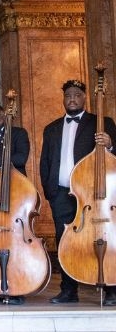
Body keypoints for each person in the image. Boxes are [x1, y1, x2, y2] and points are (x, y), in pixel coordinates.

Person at [39, 79, 116, 305]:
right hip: (61, 193)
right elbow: (45, 162)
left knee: (103, 237)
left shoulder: (101, 122)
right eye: (68, 95)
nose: (72, 99)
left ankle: (111, 288)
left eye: (77, 95)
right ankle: (68, 291)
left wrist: (110, 144)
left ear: (85, 98)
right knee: (65, 241)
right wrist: (50, 191)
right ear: (63, 99)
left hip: (93, 195)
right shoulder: (51, 128)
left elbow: (113, 158)